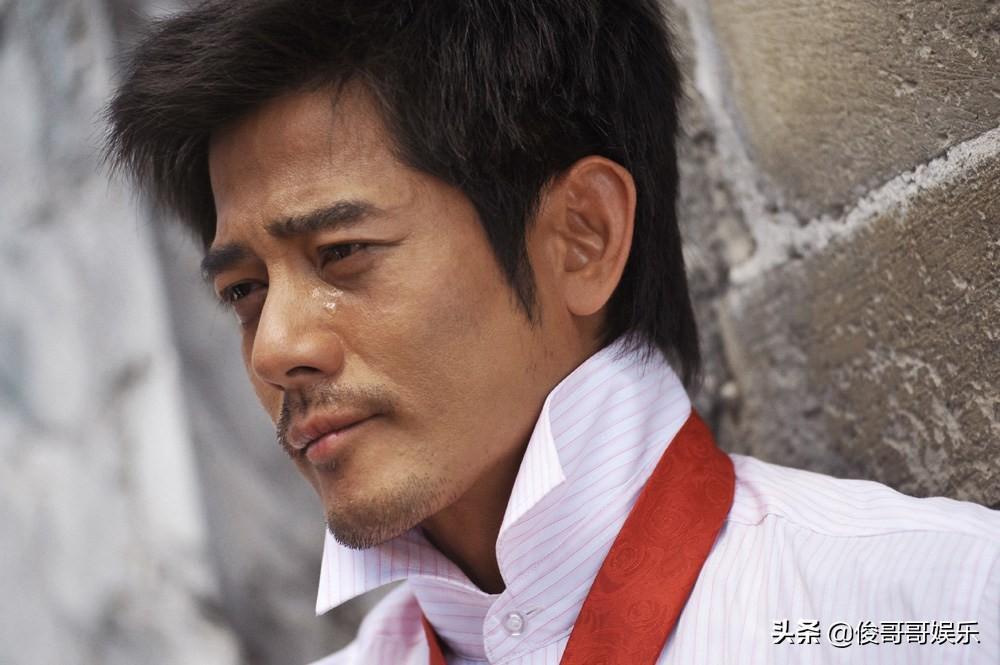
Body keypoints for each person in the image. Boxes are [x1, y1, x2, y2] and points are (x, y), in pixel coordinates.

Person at [104, 1, 999, 663]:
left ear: (583, 235)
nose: (273, 348)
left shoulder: (937, 608)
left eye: (342, 254)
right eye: (244, 291)